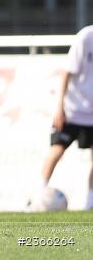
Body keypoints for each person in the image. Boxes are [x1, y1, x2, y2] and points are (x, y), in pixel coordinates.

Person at [34, 24, 93, 210]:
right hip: (73, 110)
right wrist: (59, 107)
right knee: (57, 150)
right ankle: (38, 197)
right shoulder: (86, 36)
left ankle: (89, 203)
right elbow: (66, 73)